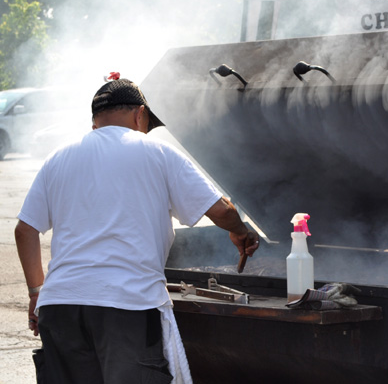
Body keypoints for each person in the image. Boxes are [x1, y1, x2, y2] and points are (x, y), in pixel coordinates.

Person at [14, 77, 259, 384]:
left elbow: (25, 231)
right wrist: (240, 230)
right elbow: (221, 211)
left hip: (60, 305)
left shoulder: (58, 158)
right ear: (139, 114)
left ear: (95, 122)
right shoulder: (157, 152)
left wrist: (37, 292)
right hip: (125, 305)